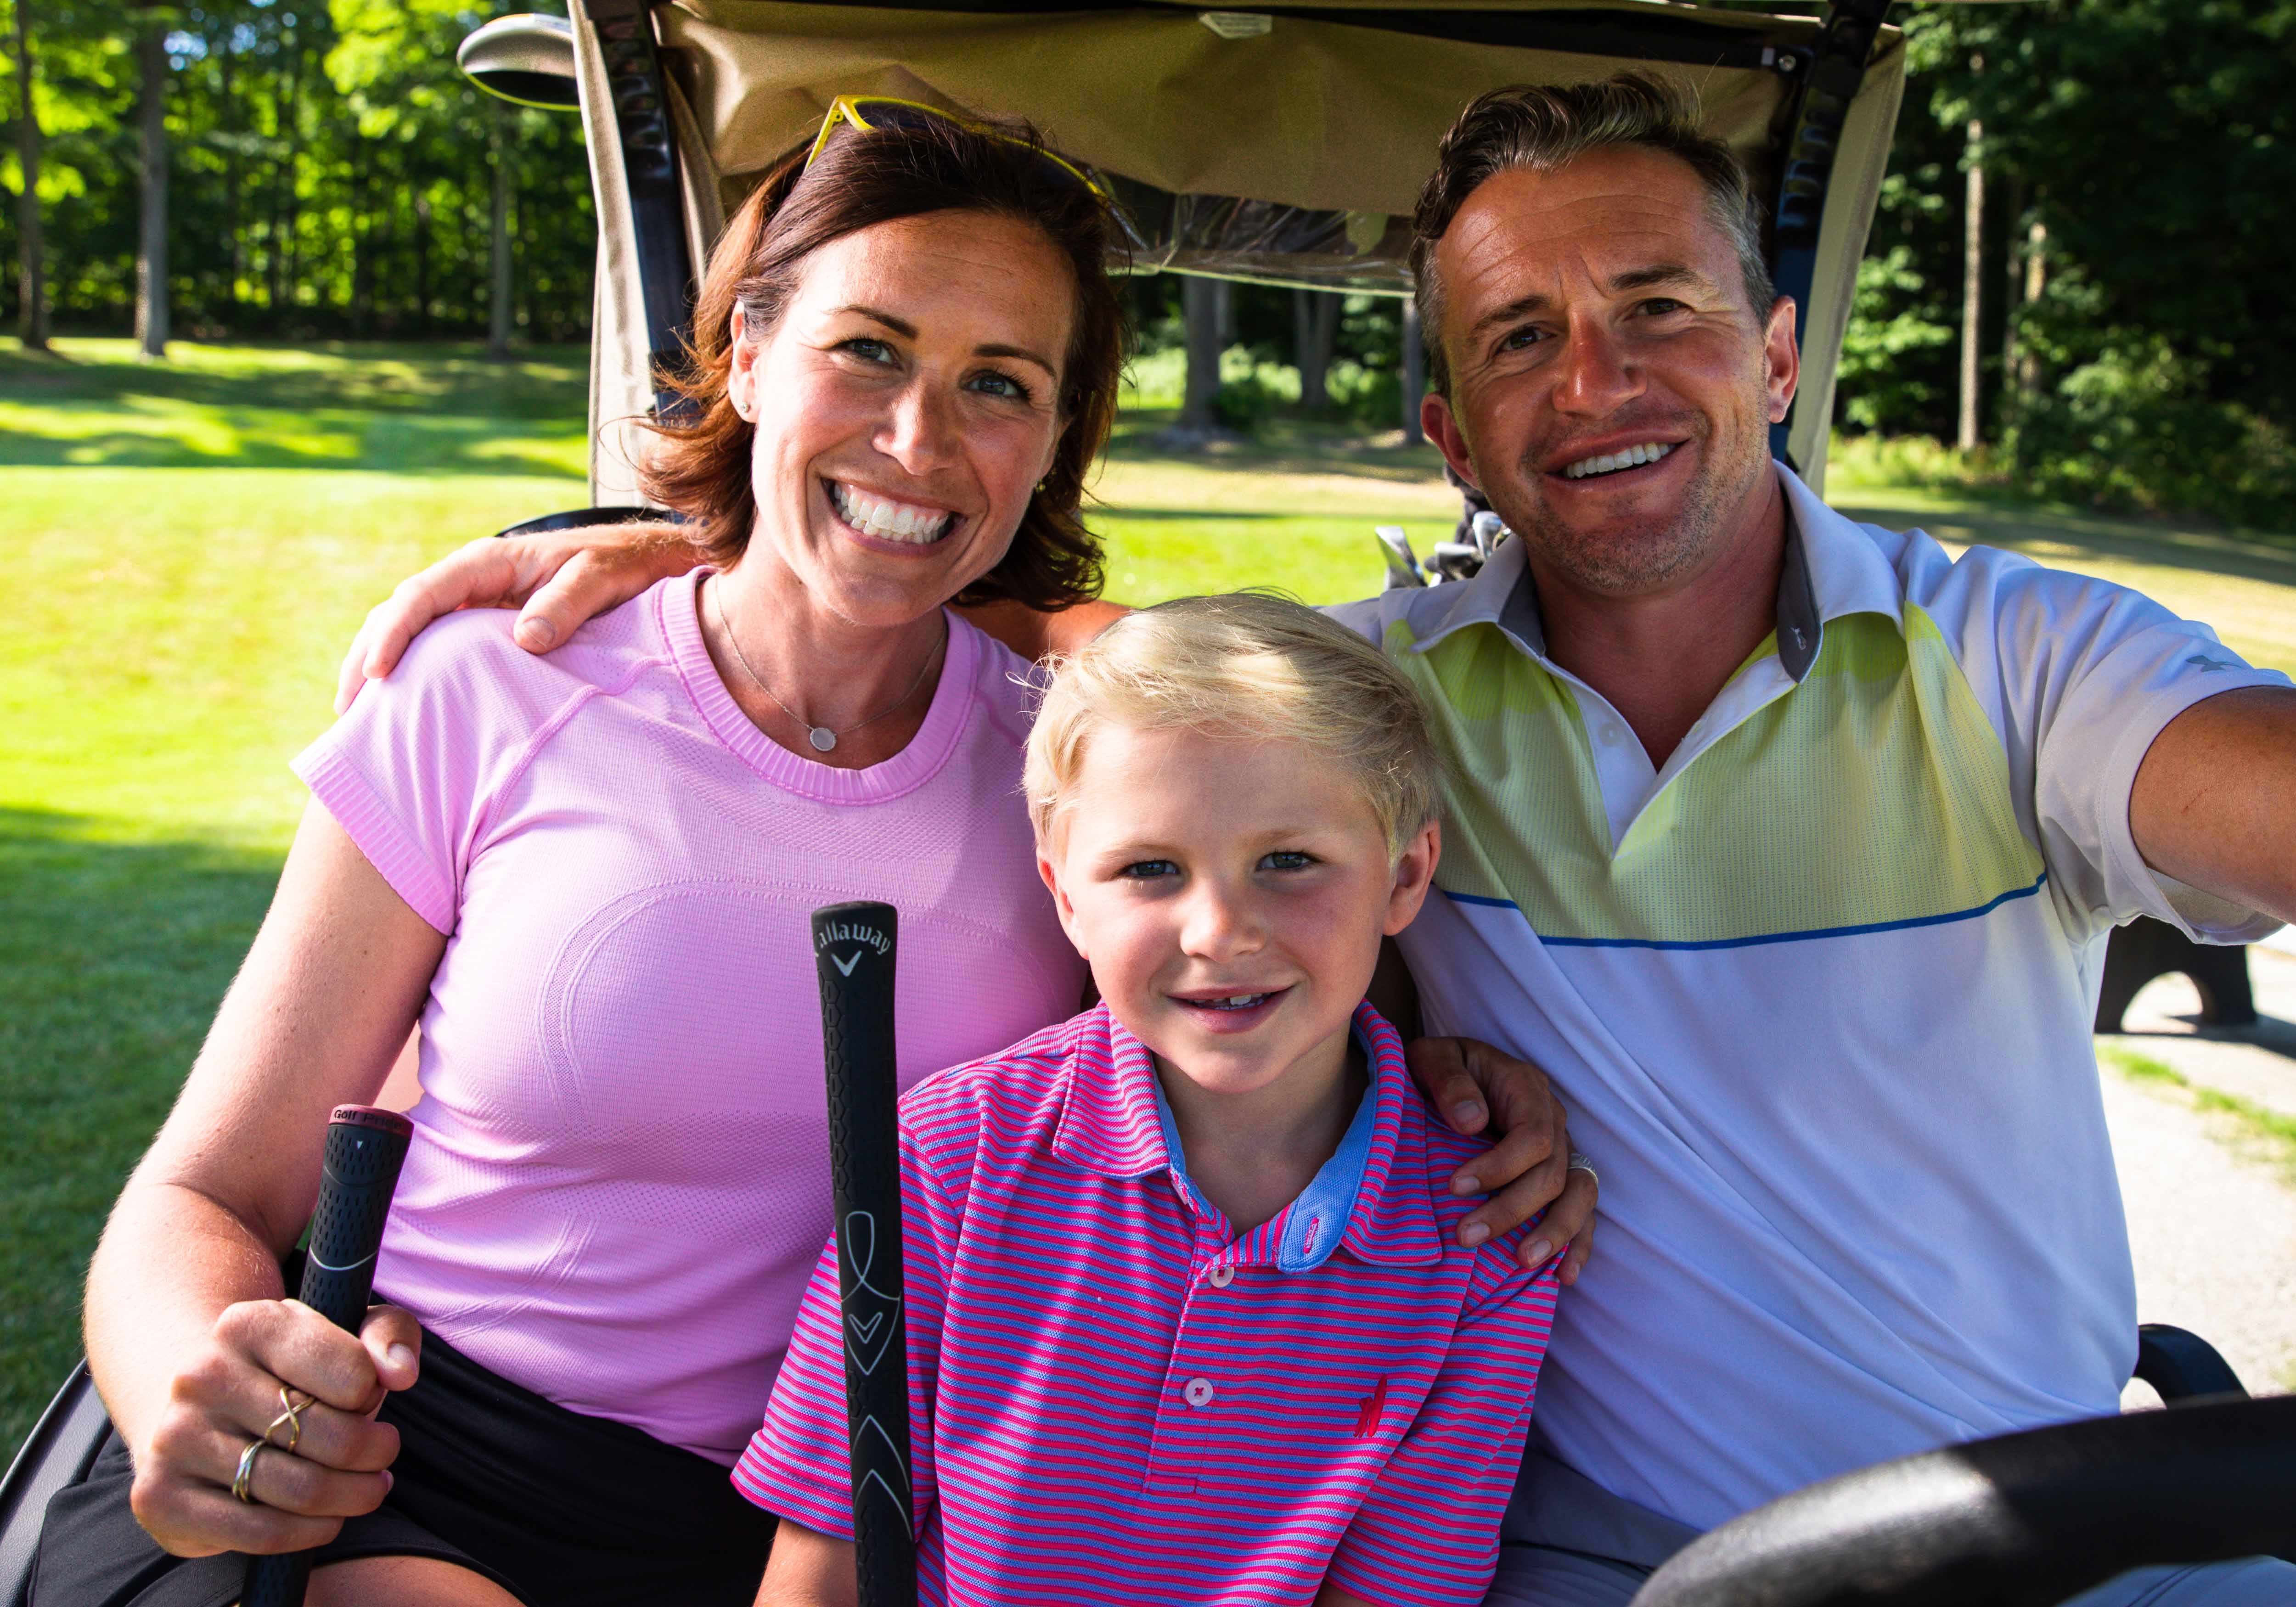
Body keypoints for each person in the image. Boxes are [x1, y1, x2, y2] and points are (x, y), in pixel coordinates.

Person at [349, 74, 2296, 1607]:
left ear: (1775, 357)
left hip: (2057, 1528)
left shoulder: (2011, 660)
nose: (1597, 379)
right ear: (1450, 435)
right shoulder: (1394, 707)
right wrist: (719, 554)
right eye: (1520, 336)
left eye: (1657, 310)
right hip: (1619, 1563)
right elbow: (1158, 705)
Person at [44, 101, 1584, 1607]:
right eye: (869, 351)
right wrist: (196, 1379)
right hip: (418, 1457)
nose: (921, 438)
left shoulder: (1083, 773)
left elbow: (1280, 868)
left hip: (834, 1520)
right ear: (749, 355)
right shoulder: (494, 687)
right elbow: (206, 1192)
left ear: (1055, 441)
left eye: (1001, 384)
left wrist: (1465, 1072)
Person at [744, 595, 1563, 1607]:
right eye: (1149, 869)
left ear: (1404, 874)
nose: (1219, 929)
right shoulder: (949, 1155)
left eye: (1288, 861)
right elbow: (822, 1565)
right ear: (1064, 894)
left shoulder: (1485, 1229)